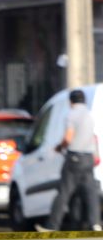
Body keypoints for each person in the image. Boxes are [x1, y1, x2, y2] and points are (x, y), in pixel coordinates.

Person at [37, 89, 101, 232]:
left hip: (74, 158)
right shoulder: (90, 115)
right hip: (88, 158)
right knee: (90, 193)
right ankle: (95, 224)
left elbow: (68, 138)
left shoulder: (72, 114)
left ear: (71, 101)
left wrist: (59, 147)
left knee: (64, 192)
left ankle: (52, 226)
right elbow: (93, 137)